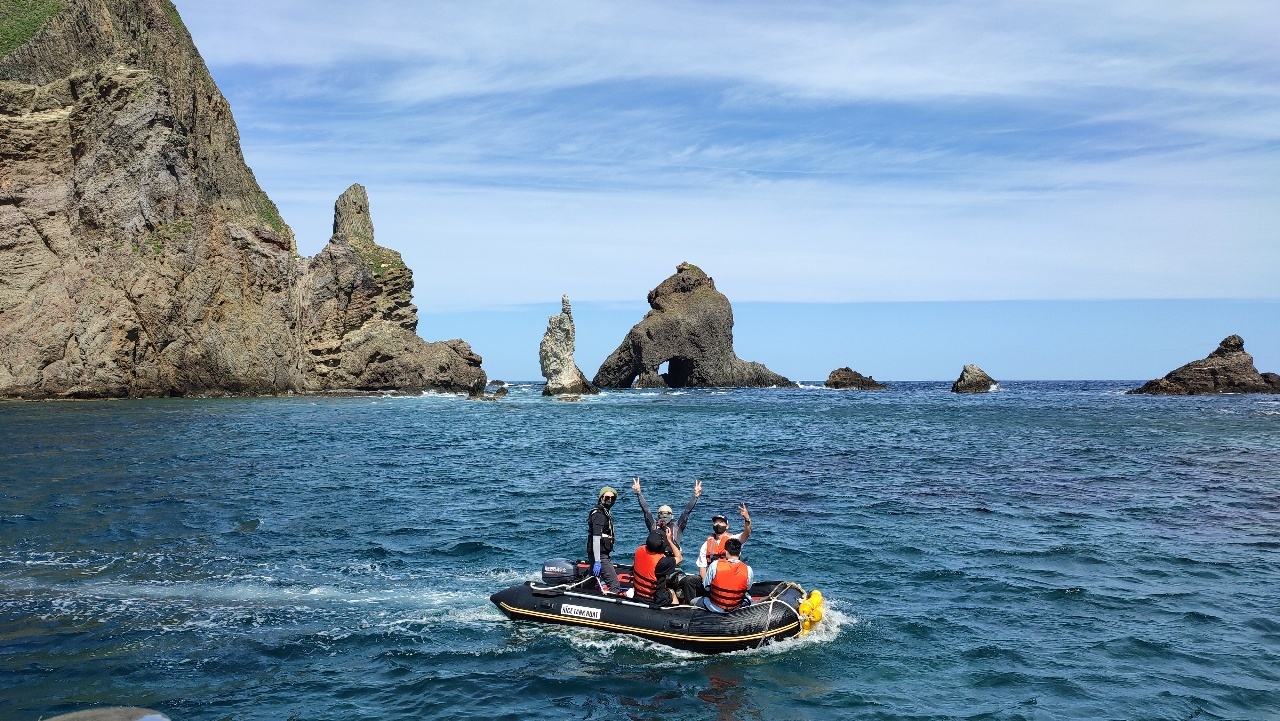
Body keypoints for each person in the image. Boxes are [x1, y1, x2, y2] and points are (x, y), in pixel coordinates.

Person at [631, 477, 701, 555]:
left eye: (667, 513)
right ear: (658, 516)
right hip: (657, 559)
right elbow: (646, 510)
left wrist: (695, 496)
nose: (664, 515)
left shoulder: (676, 527)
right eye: (662, 513)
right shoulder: (654, 526)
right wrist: (639, 493)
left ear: (672, 516)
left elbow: (686, 512)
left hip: (673, 560)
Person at [696, 503, 752, 580]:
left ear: (727, 526)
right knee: (690, 581)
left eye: (721, 522)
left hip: (730, 576)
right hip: (712, 578)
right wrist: (707, 584)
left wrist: (747, 520)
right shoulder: (706, 544)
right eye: (716, 522)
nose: (718, 524)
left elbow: (746, 534)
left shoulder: (733, 540)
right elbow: (702, 566)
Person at [631, 527, 683, 606]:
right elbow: (679, 557)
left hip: (638, 594)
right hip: (653, 598)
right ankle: (676, 614)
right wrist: (669, 540)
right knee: (671, 592)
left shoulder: (639, 550)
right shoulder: (661, 562)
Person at [701, 537, 753, 612]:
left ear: (726, 552)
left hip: (713, 607)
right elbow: (748, 588)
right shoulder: (748, 569)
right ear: (740, 553)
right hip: (735, 608)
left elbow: (706, 586)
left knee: (694, 601)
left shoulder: (715, 565)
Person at [587, 486, 620, 593]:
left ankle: (581, 593)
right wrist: (597, 561)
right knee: (614, 584)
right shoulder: (599, 515)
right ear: (601, 498)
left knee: (592, 578)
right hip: (600, 555)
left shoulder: (604, 512)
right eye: (607, 497)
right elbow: (596, 537)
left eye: (612, 498)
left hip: (599, 553)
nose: (610, 500)